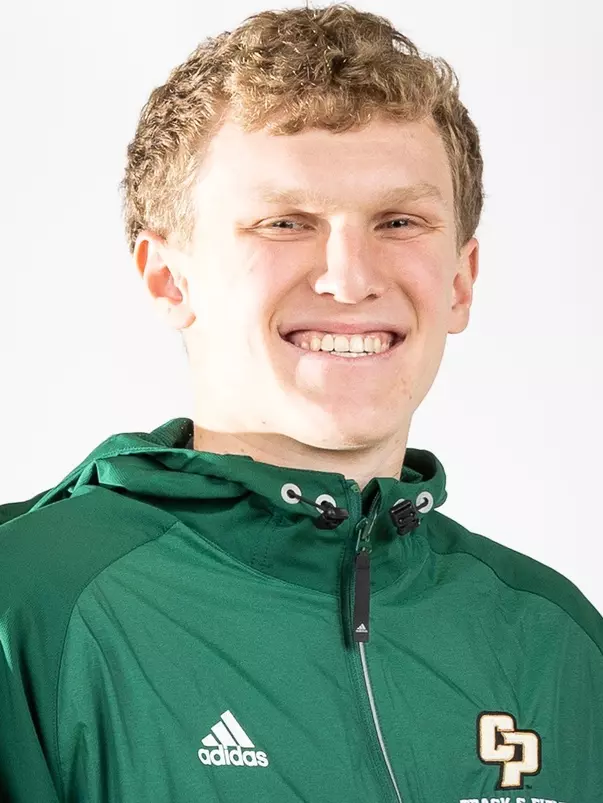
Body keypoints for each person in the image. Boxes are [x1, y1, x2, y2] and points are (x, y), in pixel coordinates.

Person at [1, 3, 601, 801]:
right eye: (284, 221)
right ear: (168, 277)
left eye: (398, 220)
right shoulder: (27, 607)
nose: (349, 277)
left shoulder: (554, 640)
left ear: (460, 280)